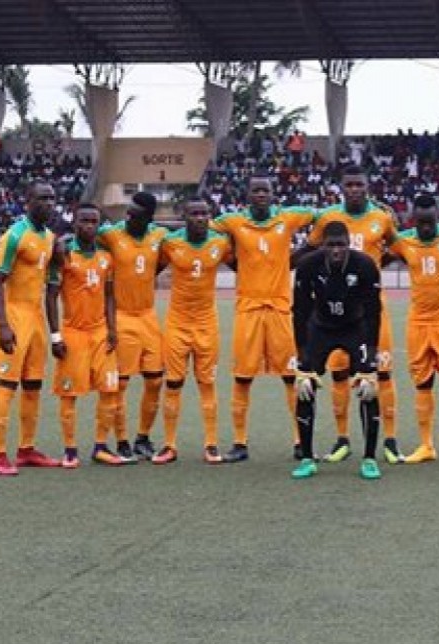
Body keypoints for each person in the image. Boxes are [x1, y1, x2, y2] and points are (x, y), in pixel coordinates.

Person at [300, 165, 403, 464]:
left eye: (360, 184)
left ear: (367, 186)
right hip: (334, 312)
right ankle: (342, 438)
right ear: (341, 187)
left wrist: (371, 270)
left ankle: (390, 439)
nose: (355, 189)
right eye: (350, 184)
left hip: (370, 309)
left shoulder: (382, 218)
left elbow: (397, 248)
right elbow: (307, 252)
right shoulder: (328, 219)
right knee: (339, 373)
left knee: (381, 372)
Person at [211, 175, 316, 462]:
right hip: (248, 310)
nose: (260, 195)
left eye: (265, 190)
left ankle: (300, 441)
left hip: (281, 310)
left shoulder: (288, 219)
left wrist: (296, 256)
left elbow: (321, 217)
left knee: (291, 377)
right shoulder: (233, 222)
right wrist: (234, 262)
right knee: (242, 377)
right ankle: (240, 443)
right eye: (255, 190)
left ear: (273, 194)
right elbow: (207, 231)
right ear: (247, 195)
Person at [291, 222, 384, 480]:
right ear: (322, 246)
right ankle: (307, 458)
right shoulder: (308, 265)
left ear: (348, 244)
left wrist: (372, 349)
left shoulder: (365, 265)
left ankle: (369, 459)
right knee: (305, 386)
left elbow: (374, 310)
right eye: (330, 245)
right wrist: (301, 351)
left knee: (368, 387)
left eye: (340, 245)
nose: (335, 250)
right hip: (320, 328)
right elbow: (299, 309)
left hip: (356, 328)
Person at [386, 194, 439, 464]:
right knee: (422, 383)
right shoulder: (404, 242)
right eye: (421, 221)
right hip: (418, 322)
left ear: (438, 214)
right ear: (414, 217)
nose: (425, 226)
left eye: (430, 220)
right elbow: (379, 261)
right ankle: (426, 446)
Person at [0, 181, 62, 475]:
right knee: (7, 386)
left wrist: (55, 334)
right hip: (14, 317)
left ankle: (27, 449)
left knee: (33, 386)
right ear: (28, 201)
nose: (49, 203)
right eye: (43, 198)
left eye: (52, 198)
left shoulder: (50, 238)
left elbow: (52, 284)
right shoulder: (15, 236)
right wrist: (4, 325)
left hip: (36, 321)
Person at [154, 198, 233, 464]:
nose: (200, 218)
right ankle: (169, 445)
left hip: (206, 324)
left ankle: (211, 444)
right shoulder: (170, 243)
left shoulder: (220, 243)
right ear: (183, 216)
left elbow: (242, 265)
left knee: (207, 383)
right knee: (173, 383)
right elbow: (153, 269)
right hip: (177, 323)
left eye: (204, 214)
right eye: (194, 213)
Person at [46, 203, 120, 468]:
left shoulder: (106, 257)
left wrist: (112, 329)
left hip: (101, 332)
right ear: (75, 224)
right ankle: (70, 450)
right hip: (73, 333)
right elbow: (51, 297)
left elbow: (110, 296)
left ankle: (100, 447)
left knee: (110, 389)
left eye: (94, 221)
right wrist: (55, 336)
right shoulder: (63, 255)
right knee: (69, 393)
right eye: (84, 221)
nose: (89, 226)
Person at [97, 192, 168, 463]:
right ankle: (122, 440)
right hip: (123, 318)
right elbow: (83, 234)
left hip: (148, 318)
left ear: (148, 218)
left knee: (155, 380)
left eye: (135, 215)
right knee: (121, 385)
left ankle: (143, 437)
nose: (128, 218)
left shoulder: (159, 236)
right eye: (127, 212)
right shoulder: (112, 235)